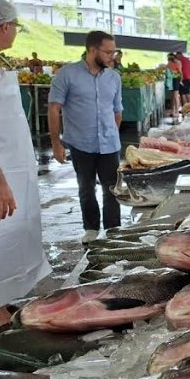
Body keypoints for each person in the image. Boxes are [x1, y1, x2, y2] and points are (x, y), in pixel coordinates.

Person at [0, 0, 51, 333]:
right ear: (4, 26)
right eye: (16, 26)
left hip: (3, 166)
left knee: (0, 235)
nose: (16, 31)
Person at [49, 31, 123, 244]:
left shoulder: (114, 77)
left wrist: (113, 133)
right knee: (86, 187)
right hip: (81, 143)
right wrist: (56, 143)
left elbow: (117, 110)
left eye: (114, 52)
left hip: (109, 144)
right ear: (92, 50)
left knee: (112, 188)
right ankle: (91, 228)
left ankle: (113, 231)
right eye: (108, 52)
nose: (112, 57)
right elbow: (54, 108)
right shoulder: (67, 74)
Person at [165, 53, 182, 118]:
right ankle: (173, 111)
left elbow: (179, 72)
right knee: (172, 96)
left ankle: (176, 111)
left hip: (175, 79)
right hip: (172, 80)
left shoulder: (177, 62)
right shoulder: (170, 63)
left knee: (175, 96)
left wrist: (181, 79)